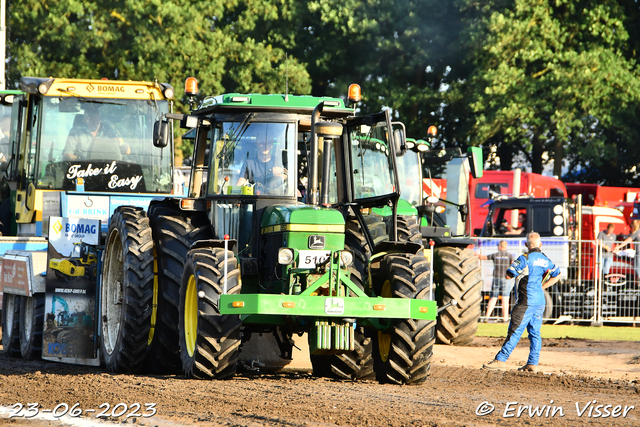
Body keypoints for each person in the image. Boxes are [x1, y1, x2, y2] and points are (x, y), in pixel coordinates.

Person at [483, 232, 561, 372]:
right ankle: (532, 363)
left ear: (526, 245)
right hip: (539, 301)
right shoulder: (545, 259)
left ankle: (501, 359)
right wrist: (542, 286)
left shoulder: (525, 258)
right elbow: (557, 274)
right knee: (535, 332)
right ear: (540, 244)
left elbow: (509, 275)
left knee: (515, 330)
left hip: (526, 301)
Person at [62, 104, 129, 161]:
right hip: (82, 170)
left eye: (97, 120)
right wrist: (81, 160)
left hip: (109, 169)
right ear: (85, 120)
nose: (95, 122)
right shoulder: (76, 132)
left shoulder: (108, 131)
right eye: (92, 120)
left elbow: (128, 151)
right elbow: (67, 154)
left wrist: (121, 142)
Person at [236, 126, 286, 193]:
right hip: (254, 200)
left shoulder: (279, 161)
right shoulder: (249, 163)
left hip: (274, 199)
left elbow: (286, 176)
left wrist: (280, 174)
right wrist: (233, 193)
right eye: (262, 143)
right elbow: (240, 184)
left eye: (269, 143)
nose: (265, 146)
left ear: (272, 144)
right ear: (256, 143)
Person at [477, 240, 514, 322]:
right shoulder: (509, 255)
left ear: (500, 246)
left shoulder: (495, 255)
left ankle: (486, 317)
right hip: (506, 278)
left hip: (496, 278)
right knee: (505, 298)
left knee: (493, 297)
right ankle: (505, 318)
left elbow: (484, 257)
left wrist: (476, 255)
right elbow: (513, 264)